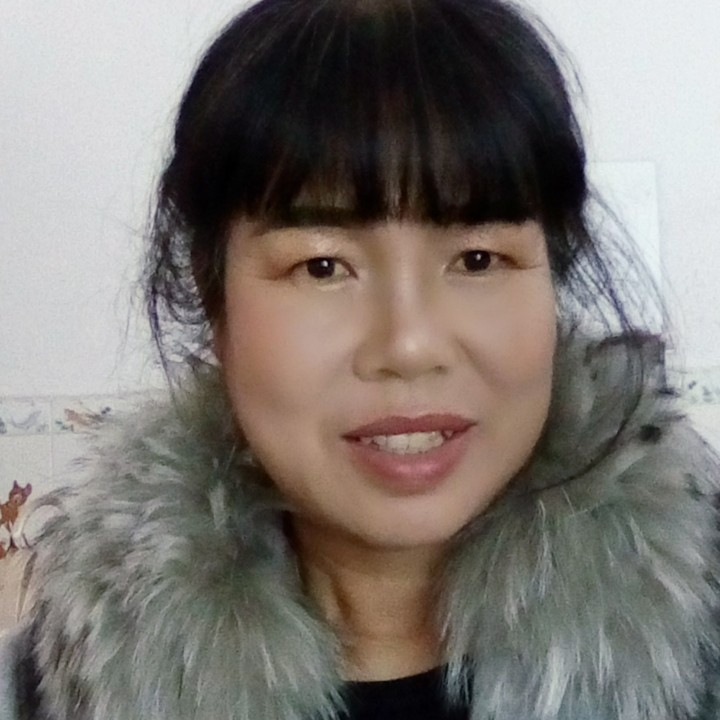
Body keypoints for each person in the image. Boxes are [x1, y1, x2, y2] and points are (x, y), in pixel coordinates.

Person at [1, 0, 719, 718]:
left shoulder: (699, 651)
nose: (409, 345)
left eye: (477, 258)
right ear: (213, 297)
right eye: (322, 266)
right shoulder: (53, 694)